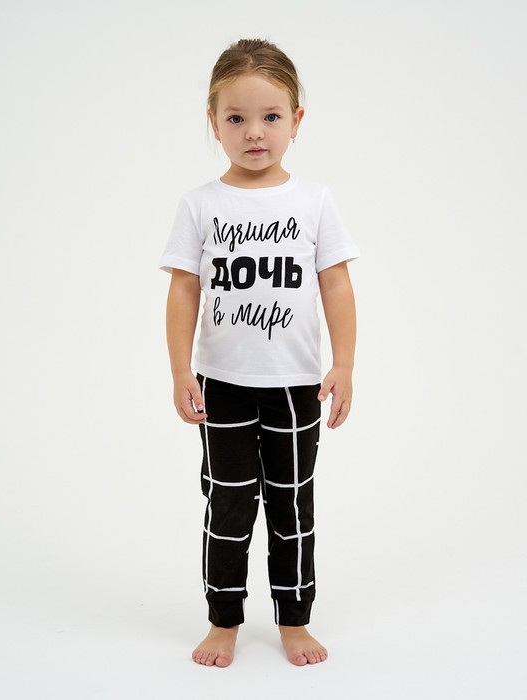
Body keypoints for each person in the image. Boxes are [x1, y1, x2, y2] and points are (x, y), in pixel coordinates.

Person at [159, 38, 359, 667]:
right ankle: (223, 620)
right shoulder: (200, 205)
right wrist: (180, 370)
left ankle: (294, 620)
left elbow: (336, 283)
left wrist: (344, 363)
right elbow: (184, 290)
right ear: (213, 122)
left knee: (292, 505)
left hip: (295, 386)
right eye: (236, 117)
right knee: (228, 504)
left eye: (270, 116)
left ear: (296, 121)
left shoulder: (314, 201)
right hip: (222, 386)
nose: (254, 132)